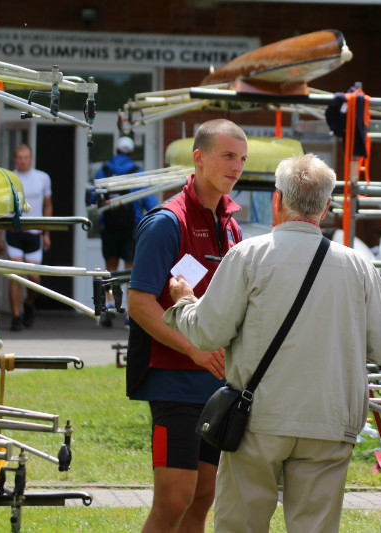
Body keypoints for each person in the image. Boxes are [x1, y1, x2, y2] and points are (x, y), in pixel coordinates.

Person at [164, 153, 381, 533]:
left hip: (258, 417)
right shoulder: (358, 265)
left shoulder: (248, 256)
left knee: (240, 527)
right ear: (326, 206)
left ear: (278, 201)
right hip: (329, 419)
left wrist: (184, 302)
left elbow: (208, 333)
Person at [126, 119, 247, 533]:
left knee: (203, 496)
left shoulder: (232, 226)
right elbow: (139, 303)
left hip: (217, 385)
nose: (236, 167)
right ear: (199, 158)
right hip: (174, 383)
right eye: (227, 156)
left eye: (242, 159)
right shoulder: (166, 222)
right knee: (175, 498)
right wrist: (194, 349)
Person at [88, 136, 157, 327]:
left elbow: (92, 198)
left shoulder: (104, 171)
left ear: (116, 151)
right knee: (130, 270)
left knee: (110, 268)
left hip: (109, 228)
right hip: (130, 229)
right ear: (132, 153)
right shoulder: (138, 173)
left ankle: (110, 305)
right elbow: (150, 203)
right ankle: (129, 313)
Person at [0, 144, 52, 331]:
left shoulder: (42, 178)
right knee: (16, 275)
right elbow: (1, 209)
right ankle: (15, 316)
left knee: (34, 278)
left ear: (31, 158)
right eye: (19, 157)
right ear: (15, 159)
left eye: (26, 157)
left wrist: (47, 233)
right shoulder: (9, 178)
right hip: (14, 231)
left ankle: (28, 303)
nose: (22, 161)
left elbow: (48, 206)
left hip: (35, 233)